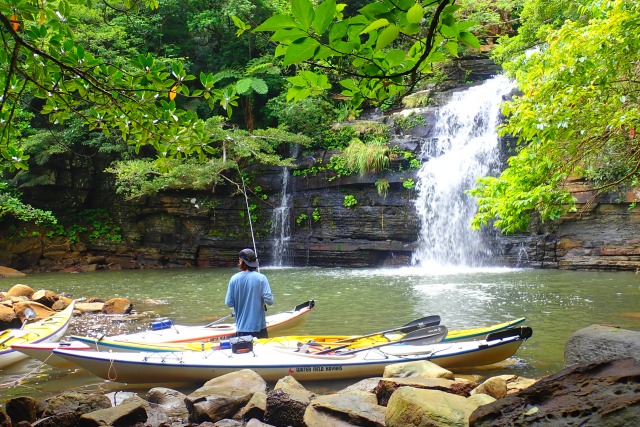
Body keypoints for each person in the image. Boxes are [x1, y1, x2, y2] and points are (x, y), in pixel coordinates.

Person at [225, 248, 274, 338]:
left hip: (241, 329)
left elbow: (229, 303)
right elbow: (270, 301)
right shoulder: (262, 278)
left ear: (241, 261)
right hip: (259, 329)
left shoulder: (233, 279)